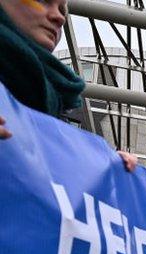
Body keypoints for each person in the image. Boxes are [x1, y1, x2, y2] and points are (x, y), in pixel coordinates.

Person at [0, 0, 136, 169]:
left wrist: (102, 170)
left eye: (62, 10)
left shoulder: (52, 101)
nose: (60, 17)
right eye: (42, 0)